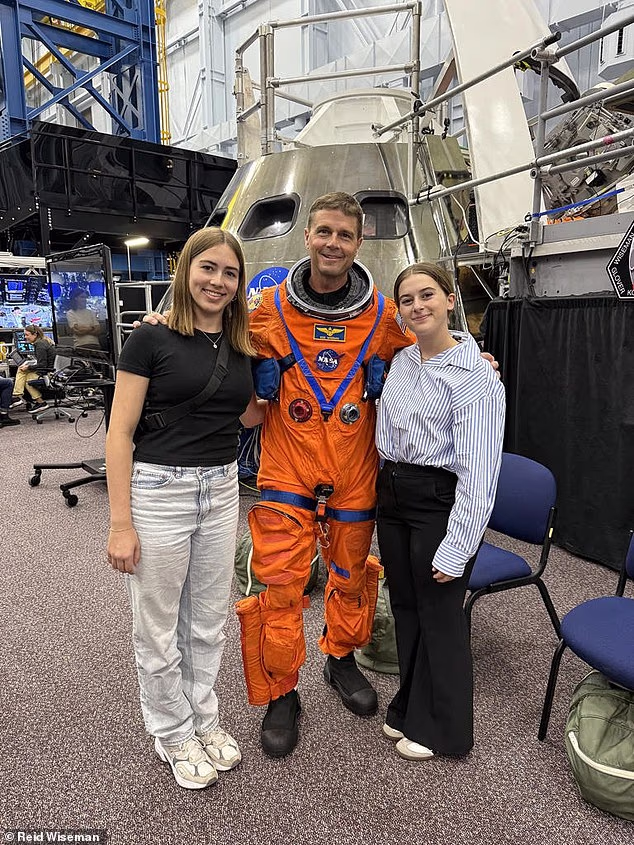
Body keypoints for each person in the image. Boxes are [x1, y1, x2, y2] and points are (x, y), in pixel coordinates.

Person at [105, 227, 265, 790]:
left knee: (208, 622)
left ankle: (203, 719)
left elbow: (246, 415)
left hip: (221, 489)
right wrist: (120, 523)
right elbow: (120, 433)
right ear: (185, 271)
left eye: (229, 273)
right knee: (158, 628)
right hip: (159, 491)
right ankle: (171, 731)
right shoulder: (151, 338)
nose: (217, 281)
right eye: (208, 268)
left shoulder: (241, 343)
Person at [375, 261, 505, 762]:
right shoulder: (403, 361)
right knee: (407, 609)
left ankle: (446, 730)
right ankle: (411, 706)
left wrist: (459, 546)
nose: (417, 306)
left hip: (439, 501)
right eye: (407, 300)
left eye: (427, 295)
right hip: (393, 494)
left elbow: (480, 472)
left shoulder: (476, 377)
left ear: (450, 300)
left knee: (440, 614)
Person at [10, 325, 56, 413]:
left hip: (48, 372)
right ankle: (20, 396)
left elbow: (42, 364)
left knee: (24, 374)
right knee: (22, 371)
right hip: (49, 369)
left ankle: (17, 396)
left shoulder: (40, 345)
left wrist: (28, 367)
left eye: (27, 335)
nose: (25, 337)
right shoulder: (42, 341)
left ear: (35, 334)